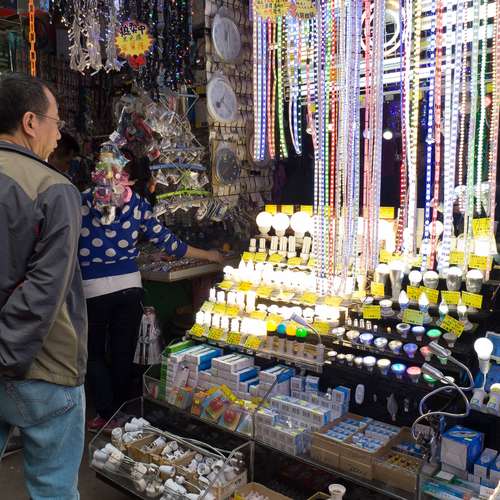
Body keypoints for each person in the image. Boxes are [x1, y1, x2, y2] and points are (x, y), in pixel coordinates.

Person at [81, 151, 223, 431]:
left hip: (91, 289)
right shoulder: (137, 204)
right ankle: (120, 411)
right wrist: (210, 255)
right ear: (130, 177)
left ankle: (104, 413)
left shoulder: (82, 200)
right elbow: (170, 243)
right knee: (122, 351)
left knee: (94, 353)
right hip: (128, 286)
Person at [0, 73, 87, 499]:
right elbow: (44, 291)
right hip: (41, 368)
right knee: (53, 489)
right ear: (30, 122)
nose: (58, 135)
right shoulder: (53, 188)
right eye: (56, 122)